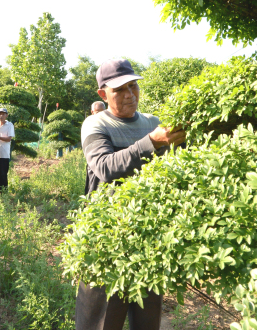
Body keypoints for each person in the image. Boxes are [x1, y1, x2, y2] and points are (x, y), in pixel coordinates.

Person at [76, 58, 186, 330]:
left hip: (150, 236)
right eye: (119, 90)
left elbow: (175, 168)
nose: (129, 95)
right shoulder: (96, 124)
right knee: (102, 319)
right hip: (106, 236)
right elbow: (105, 167)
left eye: (133, 86)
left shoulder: (153, 122)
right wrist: (152, 143)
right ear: (103, 94)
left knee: (148, 317)